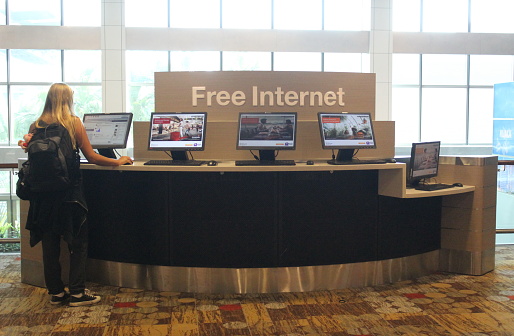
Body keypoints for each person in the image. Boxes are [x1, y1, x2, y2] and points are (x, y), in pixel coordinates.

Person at [18, 83, 132, 307]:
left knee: (50, 244)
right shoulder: (73, 122)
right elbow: (92, 157)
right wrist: (118, 161)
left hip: (41, 197)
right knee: (77, 243)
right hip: (68, 194)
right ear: (67, 100)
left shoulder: (36, 125)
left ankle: (56, 293)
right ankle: (78, 293)